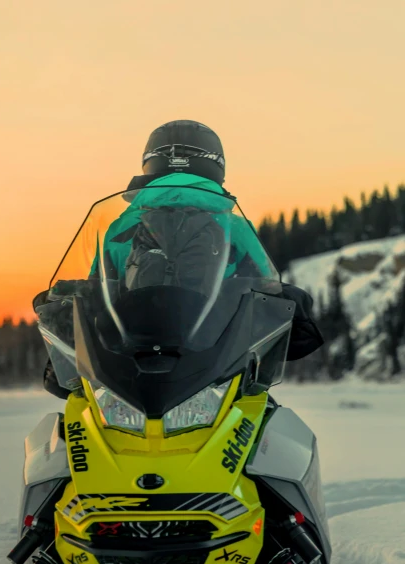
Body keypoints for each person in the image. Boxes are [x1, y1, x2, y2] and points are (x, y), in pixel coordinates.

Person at [38, 120, 323, 399]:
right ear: (217, 167)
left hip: (126, 375)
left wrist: (65, 304)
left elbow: (96, 296)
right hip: (214, 370)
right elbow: (268, 291)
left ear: (149, 165)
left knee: (70, 435)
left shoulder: (120, 229)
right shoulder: (233, 227)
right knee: (266, 426)